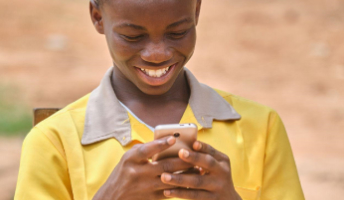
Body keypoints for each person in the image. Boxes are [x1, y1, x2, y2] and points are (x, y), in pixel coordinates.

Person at [15, 0, 305, 199]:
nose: (157, 53)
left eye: (177, 32)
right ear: (98, 17)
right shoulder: (55, 141)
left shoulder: (260, 129)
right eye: (132, 36)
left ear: (197, 11)